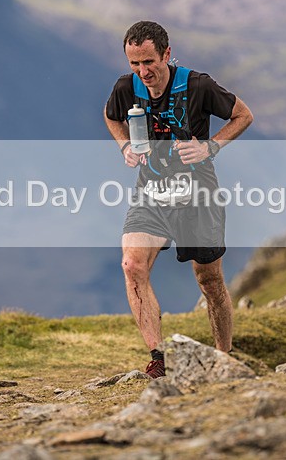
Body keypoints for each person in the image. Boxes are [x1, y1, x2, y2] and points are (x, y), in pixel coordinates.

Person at [104, 21, 254, 378]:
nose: (143, 72)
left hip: (198, 192)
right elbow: (111, 117)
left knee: (209, 281)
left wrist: (210, 146)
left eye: (149, 62)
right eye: (135, 63)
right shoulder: (126, 87)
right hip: (151, 191)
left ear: (167, 54)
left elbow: (243, 115)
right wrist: (125, 146)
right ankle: (158, 358)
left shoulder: (198, 85)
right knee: (132, 265)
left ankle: (223, 359)